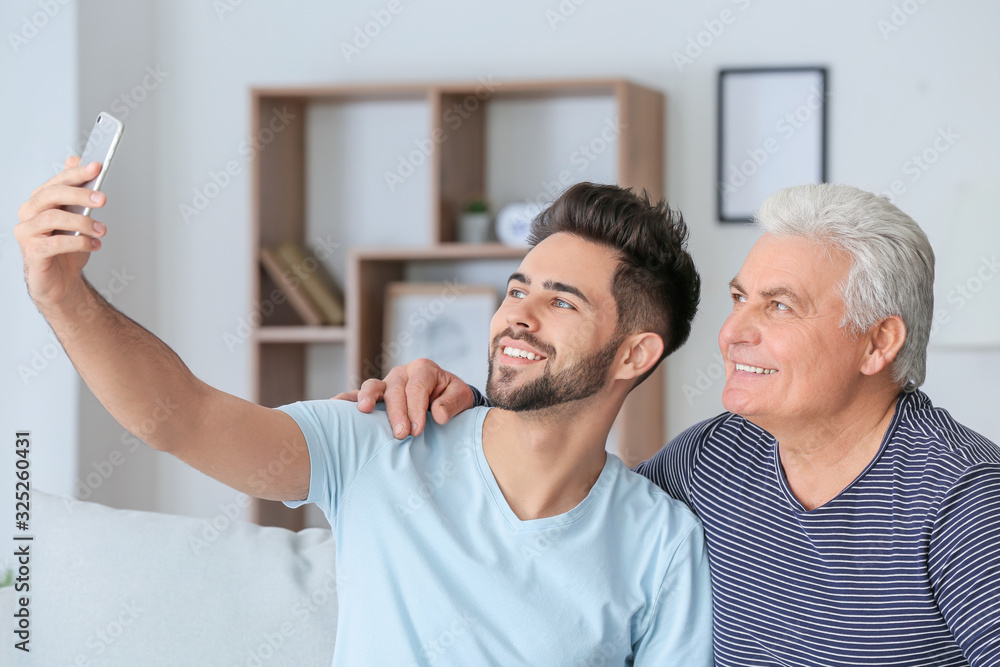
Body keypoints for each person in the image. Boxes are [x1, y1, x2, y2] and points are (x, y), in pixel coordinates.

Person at [15, 162, 714, 665]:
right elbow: (180, 418)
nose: (515, 317)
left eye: (562, 301)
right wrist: (62, 296)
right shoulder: (382, 437)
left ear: (634, 354)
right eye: (516, 288)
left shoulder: (661, 546)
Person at [348, 184, 1000, 667]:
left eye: (780, 306)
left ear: (878, 342)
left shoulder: (965, 499)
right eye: (740, 298)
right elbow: (578, 530)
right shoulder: (714, 460)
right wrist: (471, 410)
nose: (733, 332)